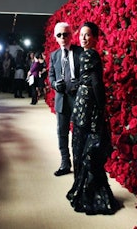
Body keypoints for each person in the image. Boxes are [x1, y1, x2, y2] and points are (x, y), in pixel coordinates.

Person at [66, 22, 121, 215]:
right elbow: (96, 83)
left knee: (82, 146)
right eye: (81, 35)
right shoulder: (91, 54)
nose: (83, 38)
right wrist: (102, 104)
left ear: (96, 38)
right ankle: (87, 193)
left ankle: (82, 191)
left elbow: (89, 80)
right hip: (90, 106)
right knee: (91, 146)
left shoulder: (86, 54)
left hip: (82, 104)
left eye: (88, 35)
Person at [48, 22, 82, 176]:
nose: (63, 37)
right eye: (59, 35)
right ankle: (65, 163)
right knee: (62, 133)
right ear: (56, 38)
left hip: (79, 100)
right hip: (61, 100)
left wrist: (80, 83)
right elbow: (51, 76)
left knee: (79, 134)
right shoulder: (54, 55)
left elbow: (88, 75)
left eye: (65, 34)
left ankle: (79, 164)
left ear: (71, 35)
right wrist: (55, 84)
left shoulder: (81, 52)